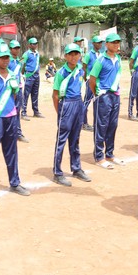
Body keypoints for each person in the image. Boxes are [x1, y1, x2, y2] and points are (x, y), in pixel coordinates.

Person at [0, 41, 31, 204]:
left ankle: (14, 183)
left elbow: (14, 96)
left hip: (11, 119)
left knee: (11, 152)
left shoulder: (13, 76)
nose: (5, 60)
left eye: (7, 57)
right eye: (1, 57)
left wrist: (8, 112)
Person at [51, 43, 91, 186]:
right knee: (61, 139)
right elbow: (55, 95)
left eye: (76, 54)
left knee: (75, 138)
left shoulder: (80, 70)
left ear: (80, 55)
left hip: (78, 103)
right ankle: (57, 172)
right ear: (65, 56)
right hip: (66, 105)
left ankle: (76, 168)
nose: (74, 57)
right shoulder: (61, 73)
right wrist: (60, 112)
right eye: (71, 54)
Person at [88, 33, 123, 169]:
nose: (116, 44)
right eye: (113, 42)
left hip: (115, 96)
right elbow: (92, 79)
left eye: (117, 42)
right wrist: (97, 93)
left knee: (113, 125)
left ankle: (109, 154)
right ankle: (99, 156)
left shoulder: (118, 58)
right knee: (101, 126)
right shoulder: (101, 60)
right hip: (103, 97)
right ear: (107, 44)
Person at [81, 35, 104, 132]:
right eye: (98, 43)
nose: (100, 44)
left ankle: (96, 124)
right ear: (93, 43)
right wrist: (86, 79)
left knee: (98, 103)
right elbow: (84, 67)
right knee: (87, 101)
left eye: (101, 43)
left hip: (99, 82)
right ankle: (83, 123)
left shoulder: (101, 54)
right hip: (91, 81)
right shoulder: (89, 54)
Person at [8, 40, 28, 143]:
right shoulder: (7, 60)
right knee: (9, 111)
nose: (17, 50)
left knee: (17, 111)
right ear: (10, 49)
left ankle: (18, 133)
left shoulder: (19, 61)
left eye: (18, 48)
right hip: (10, 90)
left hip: (19, 89)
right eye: (15, 48)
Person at [21, 37, 43, 119]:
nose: (35, 45)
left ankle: (36, 111)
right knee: (26, 94)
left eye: (36, 43)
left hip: (37, 76)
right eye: (33, 44)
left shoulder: (37, 53)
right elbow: (21, 64)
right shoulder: (26, 54)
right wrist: (23, 75)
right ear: (29, 45)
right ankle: (23, 112)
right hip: (29, 76)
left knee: (35, 94)